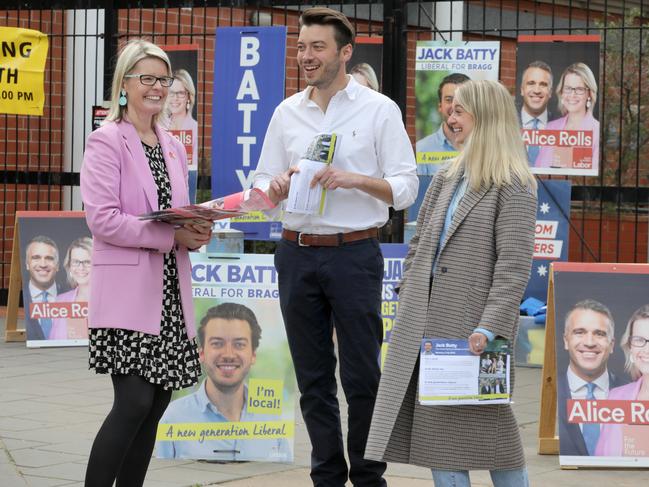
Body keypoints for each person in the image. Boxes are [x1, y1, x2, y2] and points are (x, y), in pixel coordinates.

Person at [252, 7, 418, 486]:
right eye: (302, 47)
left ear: (344, 53)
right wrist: (274, 186)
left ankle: (368, 477)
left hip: (354, 254)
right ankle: (326, 474)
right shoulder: (286, 113)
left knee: (363, 377)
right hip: (296, 252)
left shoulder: (378, 109)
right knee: (313, 378)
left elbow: (406, 187)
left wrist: (355, 180)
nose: (306, 56)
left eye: (317, 47)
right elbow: (261, 186)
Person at [365, 80, 537, 487]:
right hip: (428, 331)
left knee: (497, 440)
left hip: (476, 333)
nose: (451, 118)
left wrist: (489, 326)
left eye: (460, 111)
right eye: (450, 110)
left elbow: (513, 267)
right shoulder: (446, 175)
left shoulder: (515, 184)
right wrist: (408, 290)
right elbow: (420, 240)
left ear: (486, 117)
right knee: (436, 440)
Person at [80, 39, 211, 487]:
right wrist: (169, 235)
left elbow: (176, 213)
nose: (158, 88)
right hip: (128, 298)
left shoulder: (172, 145)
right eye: (147, 79)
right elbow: (103, 220)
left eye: (164, 79)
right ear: (124, 85)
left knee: (154, 406)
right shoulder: (106, 141)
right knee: (133, 403)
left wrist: (195, 233)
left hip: (170, 294)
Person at [156, 303, 291, 461]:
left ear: (253, 355)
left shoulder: (271, 417)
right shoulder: (173, 417)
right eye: (217, 343)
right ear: (201, 354)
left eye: (239, 344)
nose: (228, 354)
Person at [557, 299, 620, 456]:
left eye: (599, 334)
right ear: (566, 341)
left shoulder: (632, 393)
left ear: (612, 345)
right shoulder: (551, 394)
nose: (590, 342)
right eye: (579, 332)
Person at [595, 304, 649, 456]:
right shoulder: (615, 397)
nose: (646, 349)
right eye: (639, 340)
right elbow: (602, 457)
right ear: (630, 346)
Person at [535, 63, 599, 169]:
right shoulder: (551, 127)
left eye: (579, 89)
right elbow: (539, 170)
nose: (572, 95)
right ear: (561, 92)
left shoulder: (597, 132)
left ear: (589, 93)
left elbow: (592, 179)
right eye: (568, 88)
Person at [415, 72, 470, 176]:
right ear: (440, 106)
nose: (455, 106)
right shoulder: (421, 149)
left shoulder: (486, 148)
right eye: (449, 100)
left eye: (462, 99)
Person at [49, 237, 93, 340]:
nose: (81, 268)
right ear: (69, 266)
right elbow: (54, 341)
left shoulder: (110, 302)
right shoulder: (59, 301)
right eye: (76, 262)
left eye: (87, 262)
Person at [166, 69, 199, 203]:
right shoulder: (158, 129)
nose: (175, 98)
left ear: (189, 97)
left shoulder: (195, 129)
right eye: (171, 93)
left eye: (180, 93)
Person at [23, 235, 60, 341]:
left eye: (49, 258)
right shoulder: (21, 298)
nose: (43, 264)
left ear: (57, 266)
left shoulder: (72, 297)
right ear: (27, 264)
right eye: (36, 258)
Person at [518, 61, 553, 165]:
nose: (537, 90)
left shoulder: (562, 126)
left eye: (543, 84)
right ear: (522, 90)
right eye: (531, 83)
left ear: (550, 92)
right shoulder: (505, 124)